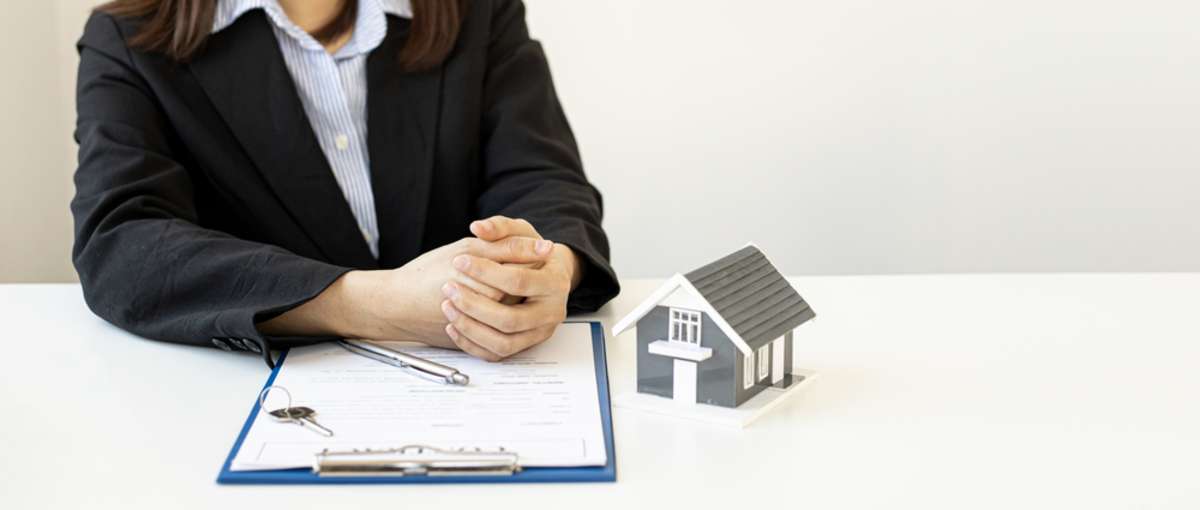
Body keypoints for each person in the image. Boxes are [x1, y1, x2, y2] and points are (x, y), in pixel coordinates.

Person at [71, 0, 619, 367]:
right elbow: (121, 243)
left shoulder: (478, 11)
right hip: (250, 401)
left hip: (485, 386)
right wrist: (370, 303)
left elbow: (546, 182)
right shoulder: (128, 38)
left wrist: (552, 268)